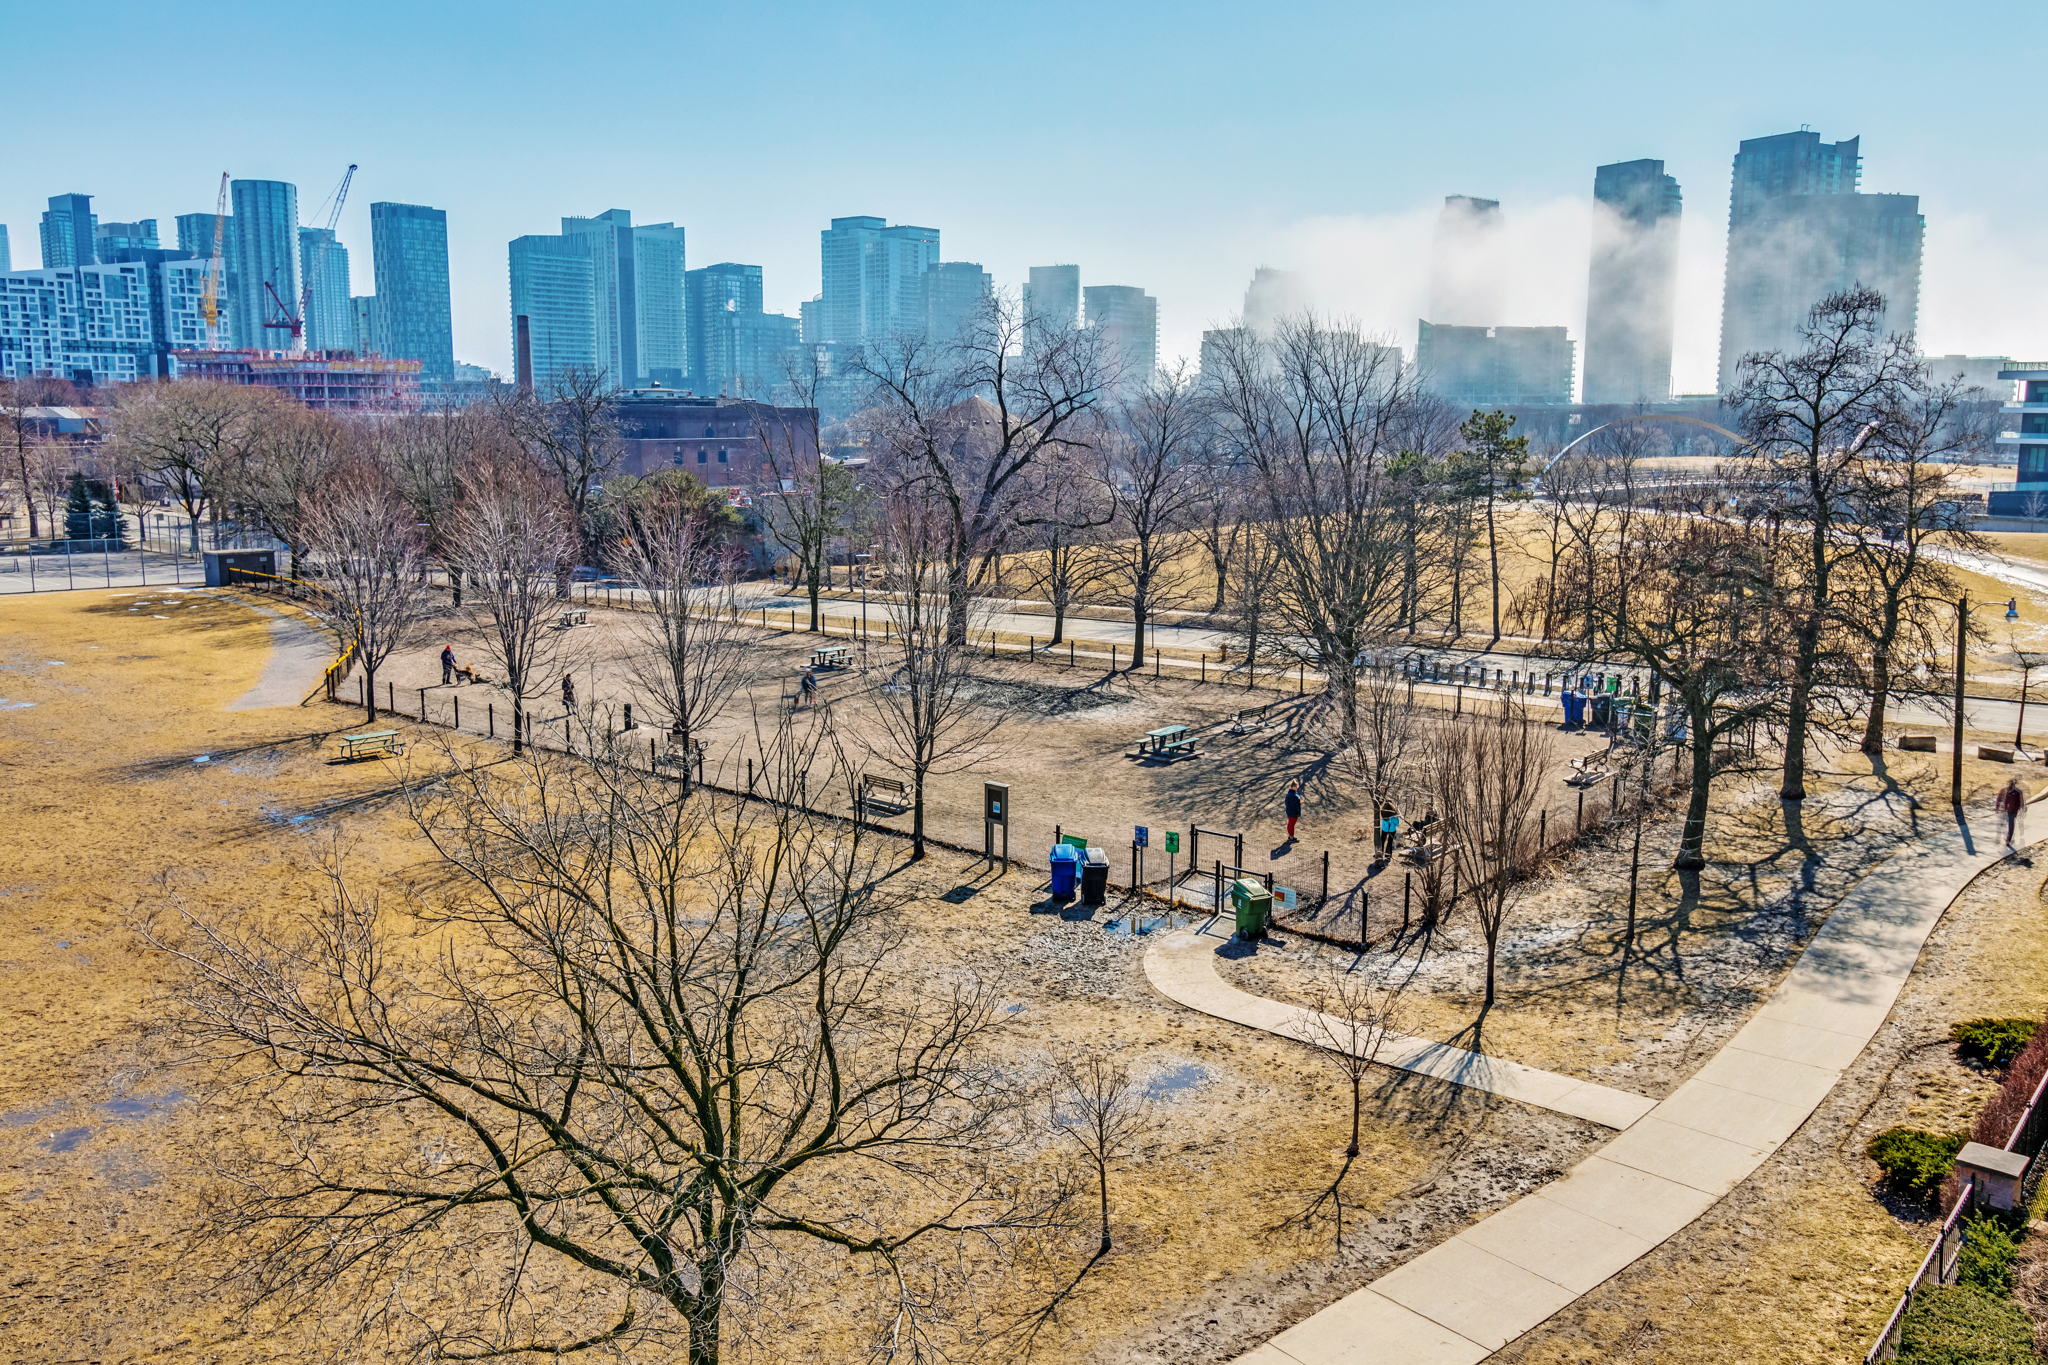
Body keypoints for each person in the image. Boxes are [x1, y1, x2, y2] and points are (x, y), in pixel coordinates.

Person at [1996, 777, 2026, 847]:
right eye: (2009, 783)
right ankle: (2007, 837)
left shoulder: (2018, 792)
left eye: (2012, 784)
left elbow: (2021, 802)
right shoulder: (2005, 790)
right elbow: (2000, 799)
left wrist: (2021, 810)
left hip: (2013, 811)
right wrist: (1998, 808)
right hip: (2005, 811)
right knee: (2004, 825)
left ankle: (2008, 840)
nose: (2010, 785)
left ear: (2014, 784)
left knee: (2011, 825)